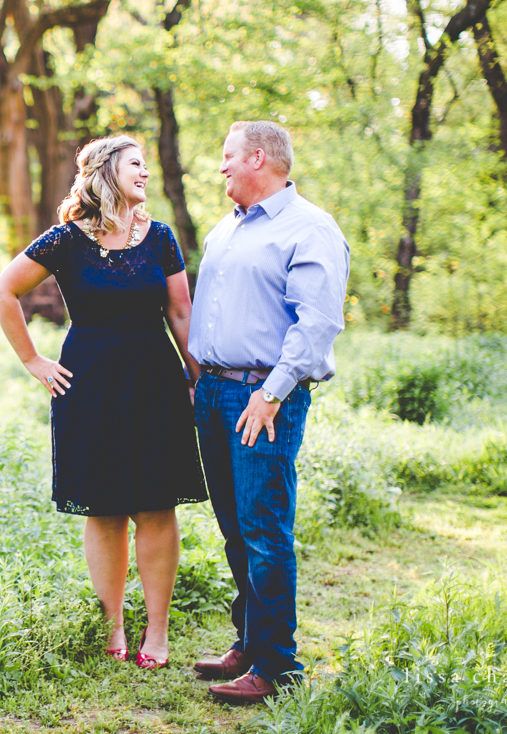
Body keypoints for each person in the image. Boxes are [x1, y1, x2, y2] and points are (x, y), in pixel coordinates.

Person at [0, 135, 208, 670]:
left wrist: (199, 379)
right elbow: (3, 291)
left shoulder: (160, 237)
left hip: (155, 381)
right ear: (107, 171)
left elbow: (181, 313)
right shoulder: (66, 239)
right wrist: (32, 360)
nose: (146, 173)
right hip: (89, 384)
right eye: (136, 164)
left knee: (156, 505)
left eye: (146, 165)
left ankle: (157, 630)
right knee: (105, 508)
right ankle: (112, 624)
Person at [187, 121, 350, 704]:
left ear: (258, 158)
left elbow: (318, 322)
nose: (222, 167)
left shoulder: (311, 228)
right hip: (214, 393)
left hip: (264, 398)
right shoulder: (225, 229)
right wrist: (199, 381)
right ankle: (250, 642)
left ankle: (278, 667)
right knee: (234, 528)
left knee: (263, 528)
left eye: (228, 156)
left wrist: (273, 392)